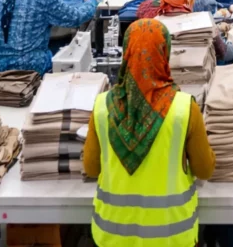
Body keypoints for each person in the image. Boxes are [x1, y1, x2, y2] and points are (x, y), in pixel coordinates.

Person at [84, 17, 214, 247]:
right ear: (165, 53)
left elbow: (91, 168)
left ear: (126, 52)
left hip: (112, 237)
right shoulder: (184, 108)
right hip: (172, 237)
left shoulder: (102, 106)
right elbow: (204, 170)